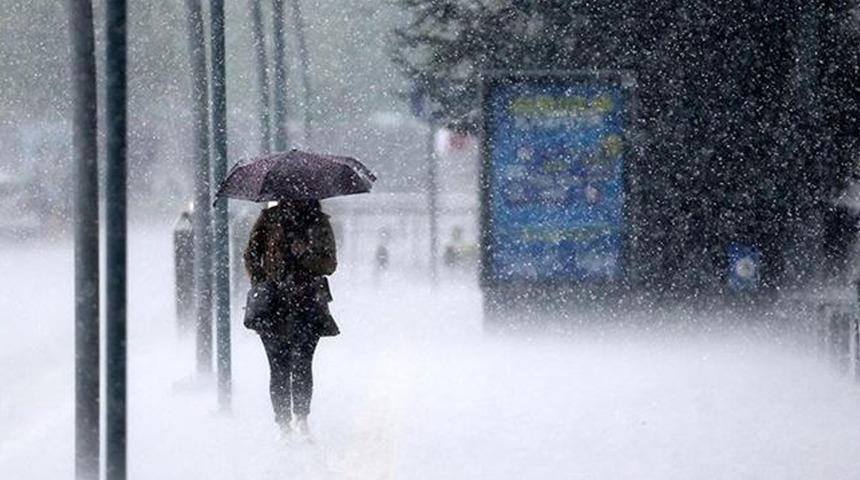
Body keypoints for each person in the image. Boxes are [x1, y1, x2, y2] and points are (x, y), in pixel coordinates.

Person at [243, 199, 340, 437]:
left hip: (307, 303)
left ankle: (301, 417)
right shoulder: (269, 220)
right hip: (273, 305)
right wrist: (263, 282)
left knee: (302, 363)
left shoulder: (319, 222)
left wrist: (305, 255)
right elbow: (251, 255)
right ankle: (284, 423)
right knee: (278, 366)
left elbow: (329, 264)